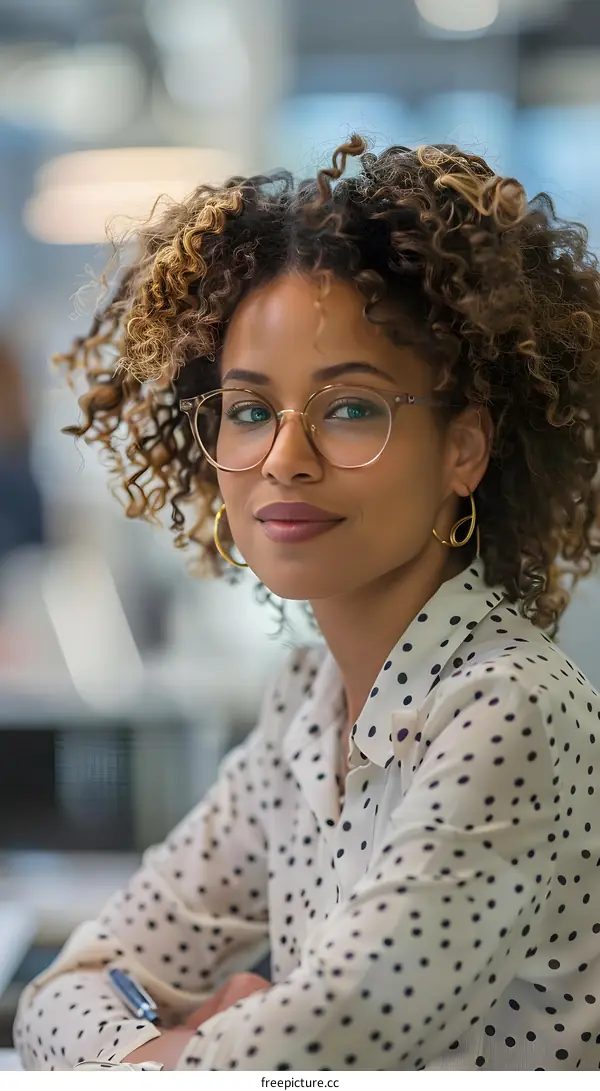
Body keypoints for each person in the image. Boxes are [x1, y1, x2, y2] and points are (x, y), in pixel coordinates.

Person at [13, 135, 600, 1071]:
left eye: (352, 407)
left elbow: (323, 1043)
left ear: (466, 449)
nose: (284, 456)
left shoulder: (512, 707)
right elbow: (67, 984)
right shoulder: (307, 701)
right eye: (249, 409)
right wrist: (178, 1050)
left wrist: (178, 1044)